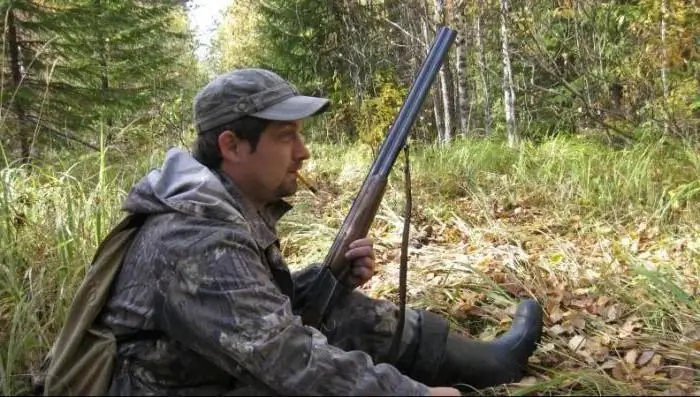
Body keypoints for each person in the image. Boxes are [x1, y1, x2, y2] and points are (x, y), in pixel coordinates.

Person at [97, 68, 543, 396]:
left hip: (202, 371)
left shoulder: (215, 206)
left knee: (336, 306)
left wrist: (328, 278)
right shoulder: (195, 238)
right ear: (231, 146)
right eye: (286, 136)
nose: (303, 151)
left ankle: (490, 363)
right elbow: (288, 360)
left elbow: (253, 308)